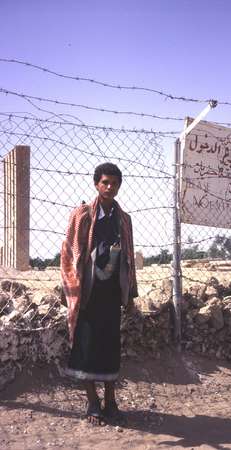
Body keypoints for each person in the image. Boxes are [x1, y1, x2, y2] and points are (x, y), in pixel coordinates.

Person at [61, 162, 138, 425]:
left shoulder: (123, 220)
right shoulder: (82, 215)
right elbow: (69, 255)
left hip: (112, 294)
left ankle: (111, 400)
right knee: (87, 346)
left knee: (109, 346)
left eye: (114, 183)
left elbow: (128, 258)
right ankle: (92, 401)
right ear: (96, 184)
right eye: (105, 182)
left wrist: (131, 295)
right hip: (88, 293)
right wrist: (72, 291)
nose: (109, 187)